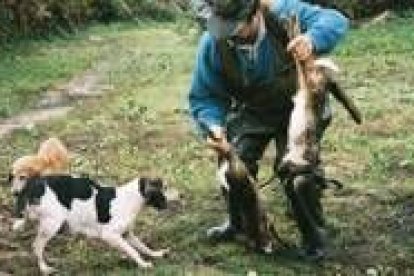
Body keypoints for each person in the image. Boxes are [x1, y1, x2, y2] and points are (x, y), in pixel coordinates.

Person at [188, 0, 348, 259]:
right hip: (254, 108)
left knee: (298, 172)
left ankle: (315, 238)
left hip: (299, 106)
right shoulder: (213, 43)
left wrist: (312, 39)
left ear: (254, 14)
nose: (229, 35)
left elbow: (336, 20)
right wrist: (213, 126)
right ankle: (239, 224)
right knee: (232, 164)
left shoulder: (282, 13)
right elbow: (205, 96)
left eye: (235, 27)